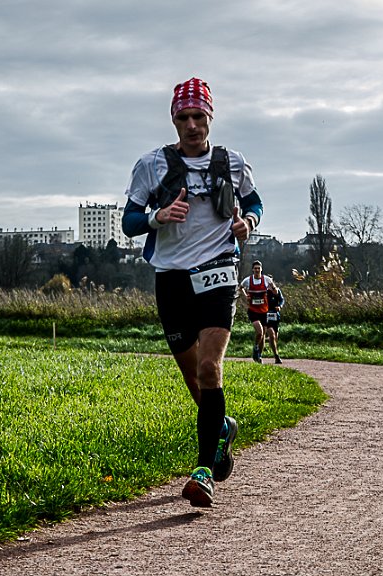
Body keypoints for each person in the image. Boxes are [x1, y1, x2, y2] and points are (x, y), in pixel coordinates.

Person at [122, 77, 263, 508]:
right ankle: (222, 428)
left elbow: (254, 203)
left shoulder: (232, 162)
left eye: (199, 116)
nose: (192, 125)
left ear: (210, 117)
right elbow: (129, 222)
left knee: (208, 368)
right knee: (191, 377)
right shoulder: (151, 165)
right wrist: (158, 216)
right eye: (183, 117)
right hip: (172, 277)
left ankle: (203, 472)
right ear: (173, 120)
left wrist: (248, 223)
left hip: (219, 271)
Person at [239, 261, 283, 364]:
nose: (257, 270)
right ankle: (255, 348)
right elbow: (240, 288)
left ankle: (259, 355)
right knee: (259, 332)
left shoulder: (267, 279)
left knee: (262, 335)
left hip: (264, 311)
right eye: (255, 268)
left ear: (261, 269)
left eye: (258, 268)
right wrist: (245, 295)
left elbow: (276, 291)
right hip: (253, 311)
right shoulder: (248, 280)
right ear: (252, 269)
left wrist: (274, 289)